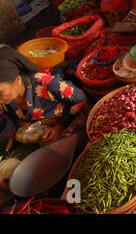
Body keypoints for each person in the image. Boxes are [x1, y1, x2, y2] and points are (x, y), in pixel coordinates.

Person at [0, 45, 87, 191]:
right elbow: (15, 124)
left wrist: (60, 126)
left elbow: (81, 99)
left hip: (70, 123)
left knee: (73, 164)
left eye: (0, 92)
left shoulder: (47, 84)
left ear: (17, 80)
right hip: (44, 132)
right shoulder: (7, 102)